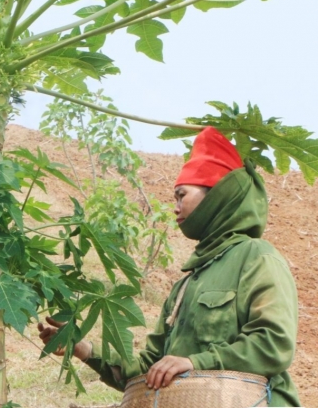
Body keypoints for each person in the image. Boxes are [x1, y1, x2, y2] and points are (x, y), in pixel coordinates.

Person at [37, 126, 300, 407]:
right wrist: (84, 349)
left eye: (181, 195)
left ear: (216, 195)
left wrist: (195, 362)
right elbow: (150, 372)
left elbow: (274, 344)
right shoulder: (187, 283)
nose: (175, 207)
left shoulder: (257, 257)